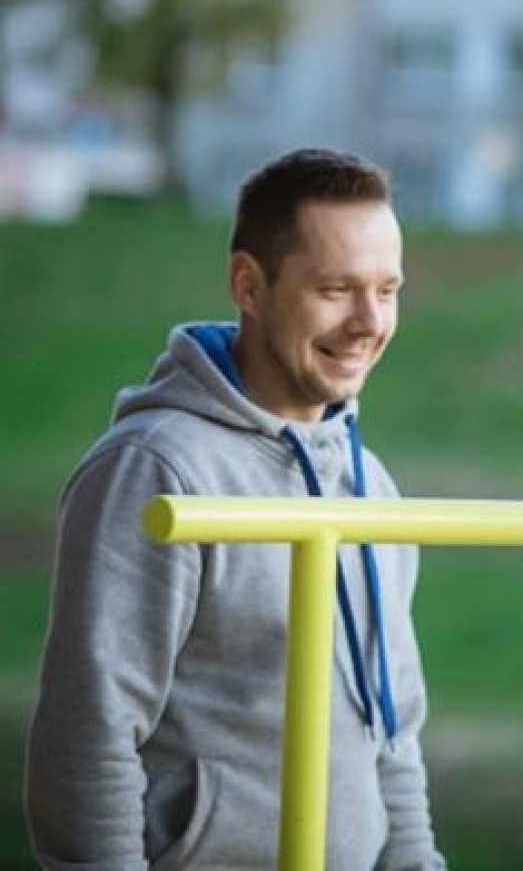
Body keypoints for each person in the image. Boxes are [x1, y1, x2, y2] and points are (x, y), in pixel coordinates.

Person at [26, 149, 446, 869]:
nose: (368, 321)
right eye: (336, 289)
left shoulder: (369, 482)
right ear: (249, 286)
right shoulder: (156, 469)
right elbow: (88, 740)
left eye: (388, 288)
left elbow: (392, 737)